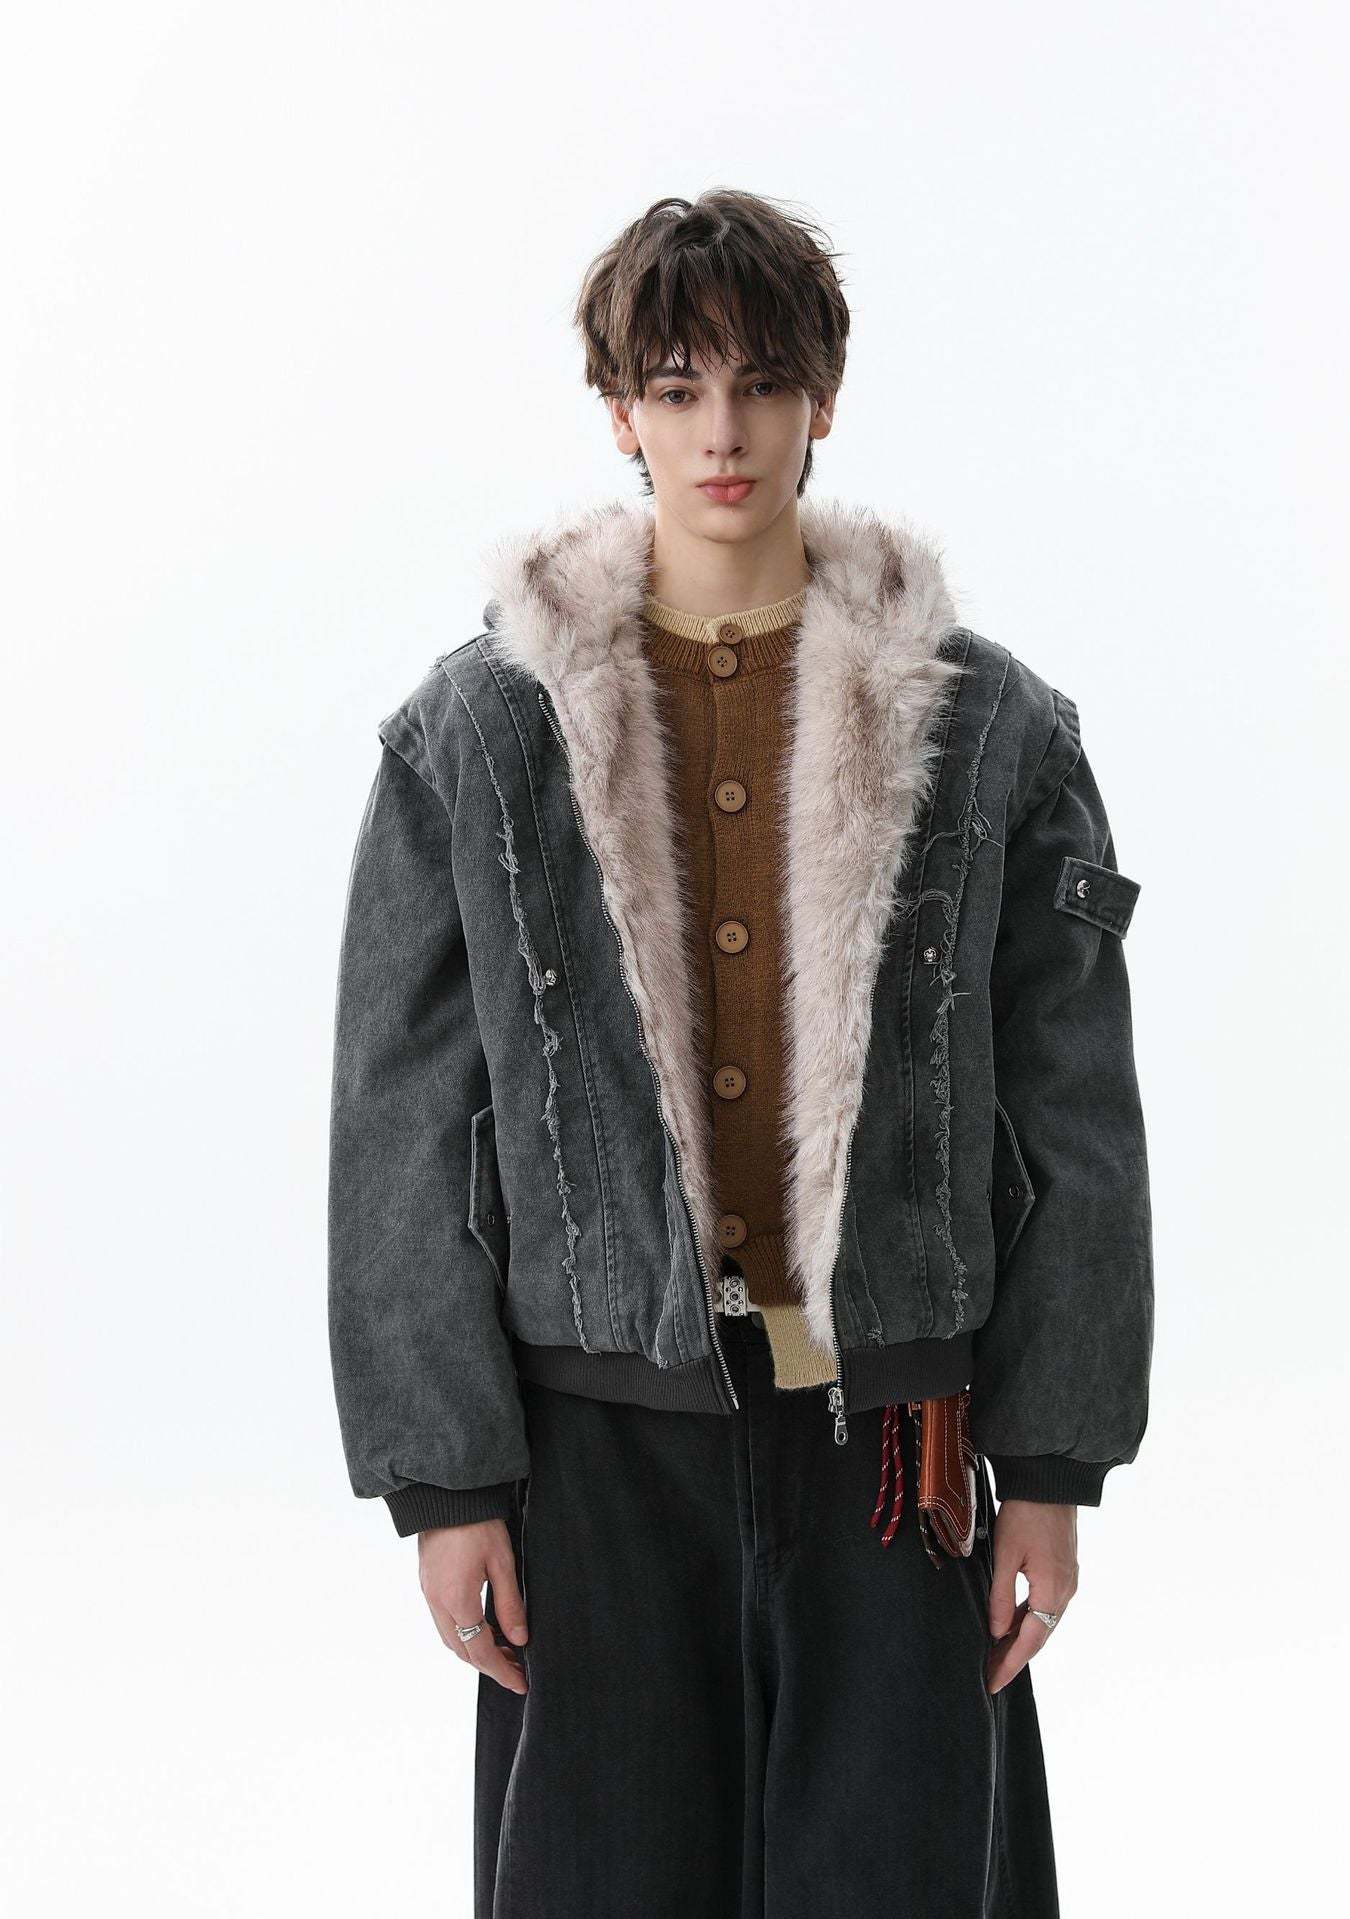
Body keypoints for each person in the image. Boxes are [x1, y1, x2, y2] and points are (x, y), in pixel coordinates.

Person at [327, 187, 1154, 1918]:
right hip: (595, 1442)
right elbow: (402, 1118)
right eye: (680, 386)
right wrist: (446, 1481)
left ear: (823, 400)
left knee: (905, 1878)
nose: (724, 431)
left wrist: (1052, 1465)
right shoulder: (479, 737)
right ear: (617, 410)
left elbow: (1074, 1105)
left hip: (898, 1438)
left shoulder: (986, 728)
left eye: (764, 383)